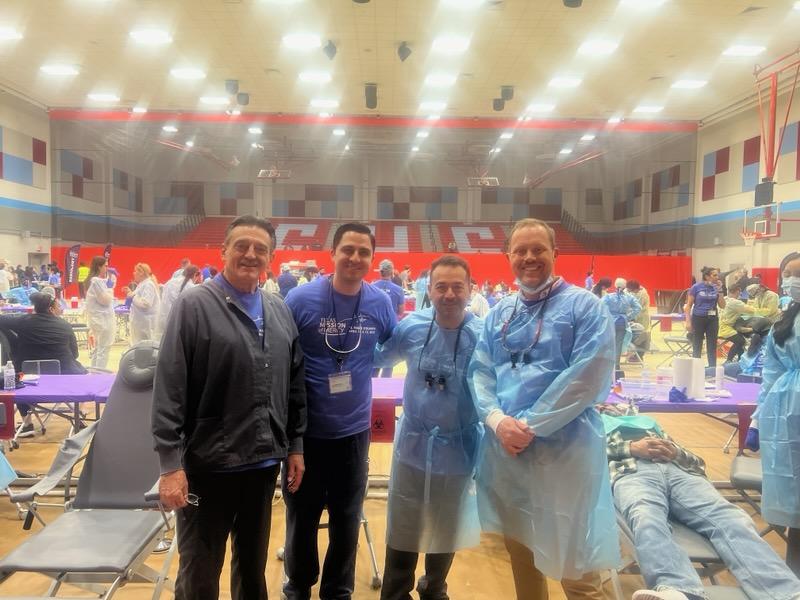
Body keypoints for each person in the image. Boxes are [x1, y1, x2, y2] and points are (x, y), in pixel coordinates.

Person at [151, 215, 307, 600]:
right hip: (207, 466)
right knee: (200, 572)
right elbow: (169, 386)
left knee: (253, 572)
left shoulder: (279, 310)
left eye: (260, 249)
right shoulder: (194, 305)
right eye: (242, 246)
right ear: (224, 251)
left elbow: (294, 383)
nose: (250, 254)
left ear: (271, 257)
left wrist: (296, 445)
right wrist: (170, 465)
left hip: (262, 464)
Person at [468, 218, 618, 598]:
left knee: (578, 565)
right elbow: (481, 371)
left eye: (538, 249)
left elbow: (587, 374)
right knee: (523, 554)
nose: (529, 257)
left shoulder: (586, 307)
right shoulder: (500, 313)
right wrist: (497, 420)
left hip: (566, 454)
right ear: (508, 256)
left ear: (556, 253)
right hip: (510, 456)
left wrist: (529, 425)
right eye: (520, 250)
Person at [282, 222, 397, 600]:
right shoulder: (300, 300)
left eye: (364, 251)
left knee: (347, 520)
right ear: (332, 253)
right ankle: (298, 585)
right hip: (306, 434)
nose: (355, 257)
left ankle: (338, 590)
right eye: (348, 249)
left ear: (372, 258)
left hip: (353, 432)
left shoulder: (380, 303)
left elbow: (393, 347)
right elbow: (282, 361)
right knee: (302, 517)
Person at [598, 405, 800, 600]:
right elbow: (584, 456)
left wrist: (676, 453)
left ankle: (786, 592)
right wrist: (632, 447)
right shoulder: (592, 426)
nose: (610, 405)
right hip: (630, 471)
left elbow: (698, 463)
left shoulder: (650, 425)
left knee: (731, 517)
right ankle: (678, 589)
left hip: (681, 473)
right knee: (646, 516)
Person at [374, 255, 482, 600]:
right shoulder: (412, 327)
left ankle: (434, 586)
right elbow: (379, 358)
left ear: (470, 289)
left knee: (446, 520)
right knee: (404, 517)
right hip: (414, 444)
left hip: (459, 446)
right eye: (441, 287)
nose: (449, 294)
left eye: (457, 287)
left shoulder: (483, 335)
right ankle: (395, 589)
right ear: (428, 290)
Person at [758, 256, 800, 577]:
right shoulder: (782, 323)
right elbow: (770, 374)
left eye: (797, 275)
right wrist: (758, 421)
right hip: (784, 413)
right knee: (795, 502)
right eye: (787, 275)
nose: (791, 281)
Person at [685, 266, 725, 368]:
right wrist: (688, 321)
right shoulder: (696, 287)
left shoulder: (717, 288)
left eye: (717, 275)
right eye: (715, 275)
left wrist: (720, 290)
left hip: (712, 319)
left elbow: (722, 305)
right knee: (697, 344)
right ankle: (696, 368)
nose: (717, 277)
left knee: (712, 345)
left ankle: (712, 368)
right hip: (698, 318)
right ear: (707, 276)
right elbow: (688, 305)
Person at [602, 278, 641, 371]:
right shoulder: (629, 297)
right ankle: (617, 366)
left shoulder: (609, 297)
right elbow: (638, 308)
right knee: (618, 345)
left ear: (615, 285)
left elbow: (600, 306)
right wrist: (628, 316)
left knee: (608, 344)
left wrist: (607, 316)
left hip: (610, 323)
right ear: (625, 287)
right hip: (622, 323)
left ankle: (608, 365)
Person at [84, 256, 116, 369]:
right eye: (105, 266)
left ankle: (94, 372)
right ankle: (100, 374)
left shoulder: (94, 280)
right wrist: (111, 287)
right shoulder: (96, 281)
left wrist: (109, 285)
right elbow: (106, 300)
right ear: (99, 266)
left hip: (99, 319)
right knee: (103, 349)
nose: (107, 268)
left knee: (98, 348)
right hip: (102, 320)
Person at [718, 279, 756, 363]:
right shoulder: (735, 302)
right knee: (741, 341)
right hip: (725, 329)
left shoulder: (724, 299)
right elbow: (751, 310)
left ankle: (740, 360)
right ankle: (729, 360)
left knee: (740, 339)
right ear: (738, 291)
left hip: (717, 327)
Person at [158, 265, 200, 335]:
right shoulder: (191, 287)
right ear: (195, 274)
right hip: (178, 323)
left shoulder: (170, 282)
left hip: (164, 319)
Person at [127, 263, 160, 344]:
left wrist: (132, 297)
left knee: (146, 347)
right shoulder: (142, 284)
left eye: (135, 271)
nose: (133, 273)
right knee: (141, 346)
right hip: (142, 323)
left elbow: (146, 303)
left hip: (146, 324)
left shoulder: (148, 285)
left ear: (141, 273)